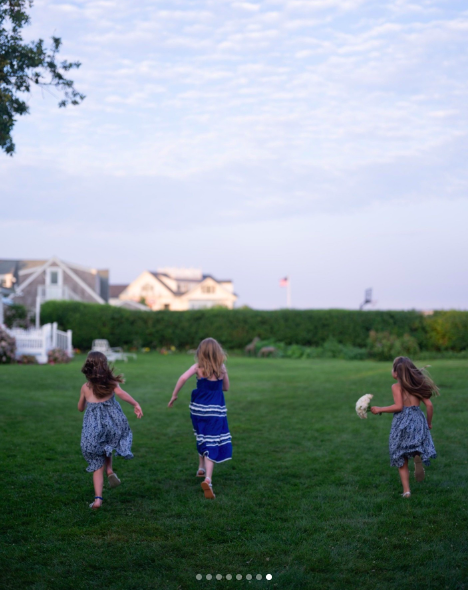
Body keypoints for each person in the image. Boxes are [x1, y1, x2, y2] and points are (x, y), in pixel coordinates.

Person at [168, 338, 231, 499]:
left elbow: (182, 378)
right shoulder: (221, 368)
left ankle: (200, 467)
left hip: (198, 409)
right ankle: (208, 479)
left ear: (200, 352)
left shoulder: (197, 367)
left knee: (201, 435)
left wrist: (174, 395)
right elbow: (226, 388)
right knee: (213, 440)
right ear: (218, 352)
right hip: (215, 411)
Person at [79, 351, 143, 509]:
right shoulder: (111, 383)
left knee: (97, 462)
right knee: (109, 445)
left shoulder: (86, 387)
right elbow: (122, 394)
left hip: (94, 429)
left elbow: (80, 408)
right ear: (104, 366)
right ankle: (109, 469)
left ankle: (98, 500)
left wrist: (86, 400)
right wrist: (135, 404)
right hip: (113, 425)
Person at [371, 356, 438, 498]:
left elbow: (398, 406)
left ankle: (406, 491)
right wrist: (429, 422)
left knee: (401, 454)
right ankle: (417, 455)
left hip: (402, 422)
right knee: (415, 443)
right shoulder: (417, 385)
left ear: (396, 373)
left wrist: (379, 409)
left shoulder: (396, 387)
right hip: (417, 419)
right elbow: (430, 405)